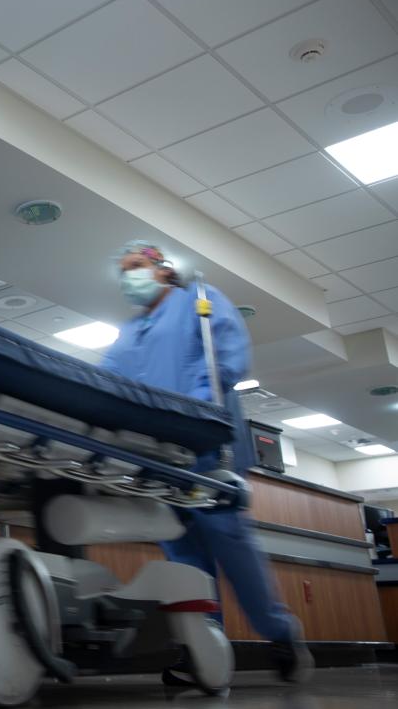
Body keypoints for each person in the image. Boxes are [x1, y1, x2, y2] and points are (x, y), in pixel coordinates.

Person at [99, 239, 313, 685]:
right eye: (123, 271)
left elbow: (227, 358)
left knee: (229, 543)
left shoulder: (199, 298)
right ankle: (203, 647)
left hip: (204, 446)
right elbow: (106, 384)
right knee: (182, 555)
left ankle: (280, 633)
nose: (128, 277)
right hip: (157, 460)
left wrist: (194, 416)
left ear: (161, 268)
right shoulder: (127, 334)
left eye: (135, 266)